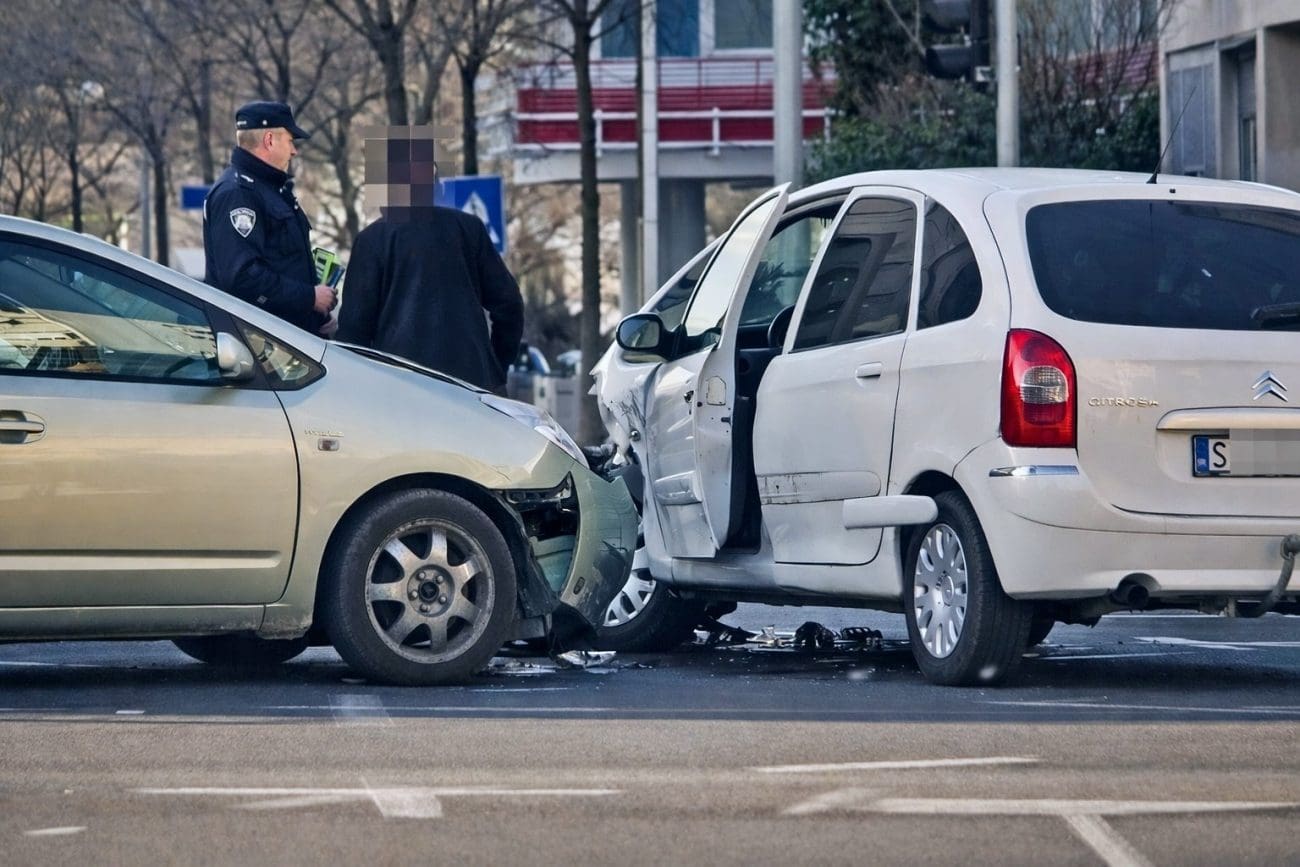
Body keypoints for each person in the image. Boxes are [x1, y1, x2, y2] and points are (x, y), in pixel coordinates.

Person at [337, 128, 523, 392]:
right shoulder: (469, 229)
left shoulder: (372, 240)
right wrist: (495, 365)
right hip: (474, 384)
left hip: (401, 388)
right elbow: (510, 305)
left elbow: (354, 332)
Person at [203, 100, 336, 335]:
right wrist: (309, 298)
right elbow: (242, 278)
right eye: (290, 141)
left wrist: (313, 315)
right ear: (269, 140)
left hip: (285, 340)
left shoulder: (269, 190)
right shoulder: (238, 193)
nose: (294, 151)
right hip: (261, 346)